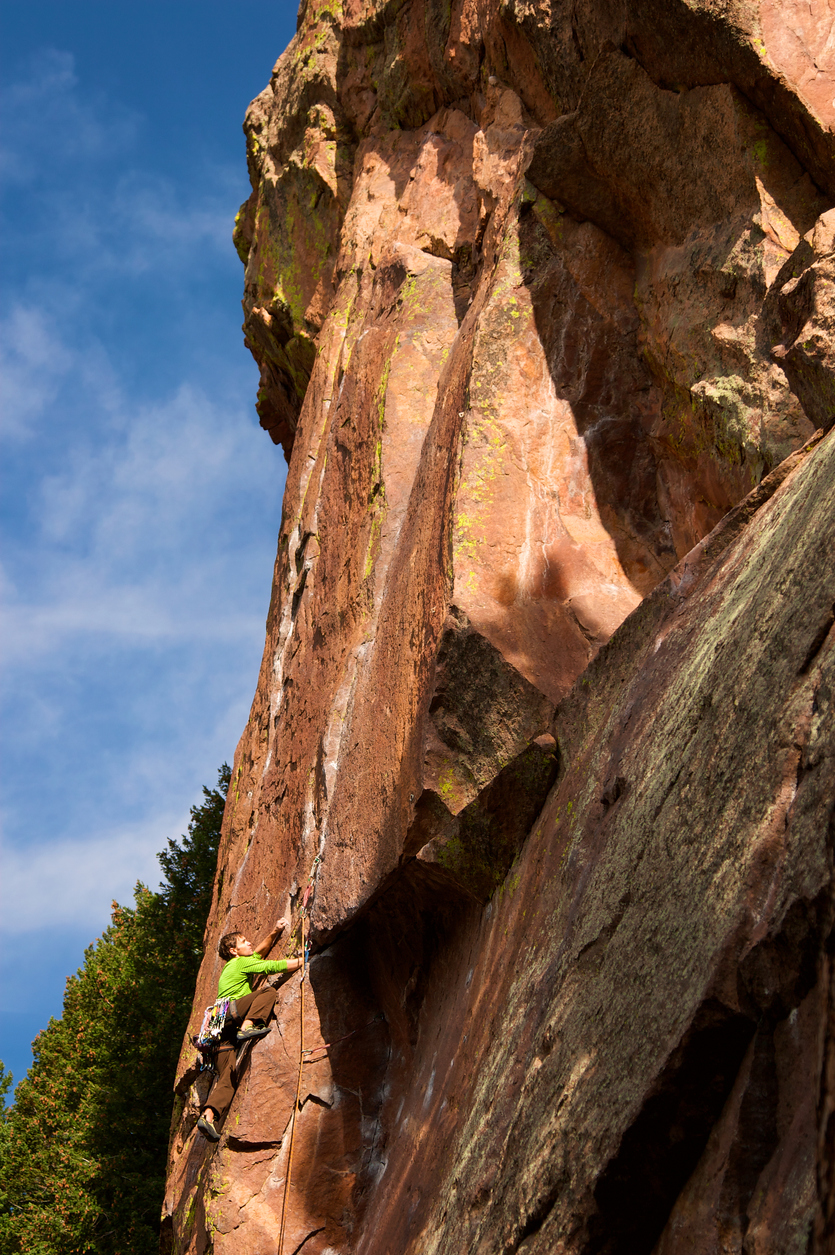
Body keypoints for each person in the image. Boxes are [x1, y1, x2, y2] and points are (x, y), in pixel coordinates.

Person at [197, 916, 302, 1142]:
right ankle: (248, 1027)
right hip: (232, 1015)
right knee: (268, 992)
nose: (249, 943)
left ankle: (208, 1115)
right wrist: (301, 961)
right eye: (244, 942)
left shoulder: (234, 964)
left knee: (229, 1074)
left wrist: (275, 931)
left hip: (218, 1032)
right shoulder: (240, 963)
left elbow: (260, 953)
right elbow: (271, 966)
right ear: (234, 950)